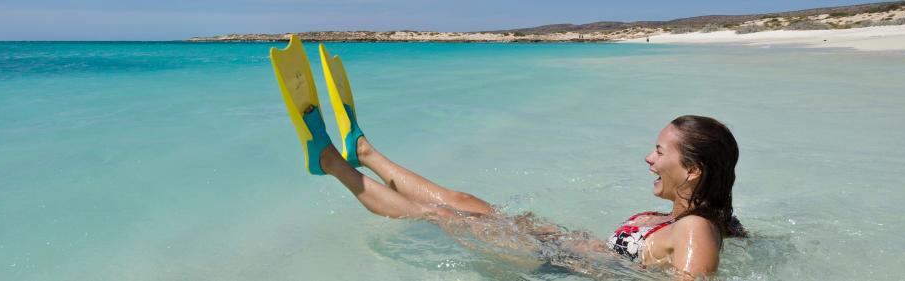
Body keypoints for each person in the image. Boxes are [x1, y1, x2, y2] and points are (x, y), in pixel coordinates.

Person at [270, 37, 745, 279]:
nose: (647, 158)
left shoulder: (696, 229)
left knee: (439, 213)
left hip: (554, 267)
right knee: (462, 199)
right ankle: (366, 152)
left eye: (659, 151)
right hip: (555, 246)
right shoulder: (687, 218)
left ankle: (331, 160)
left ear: (692, 170)